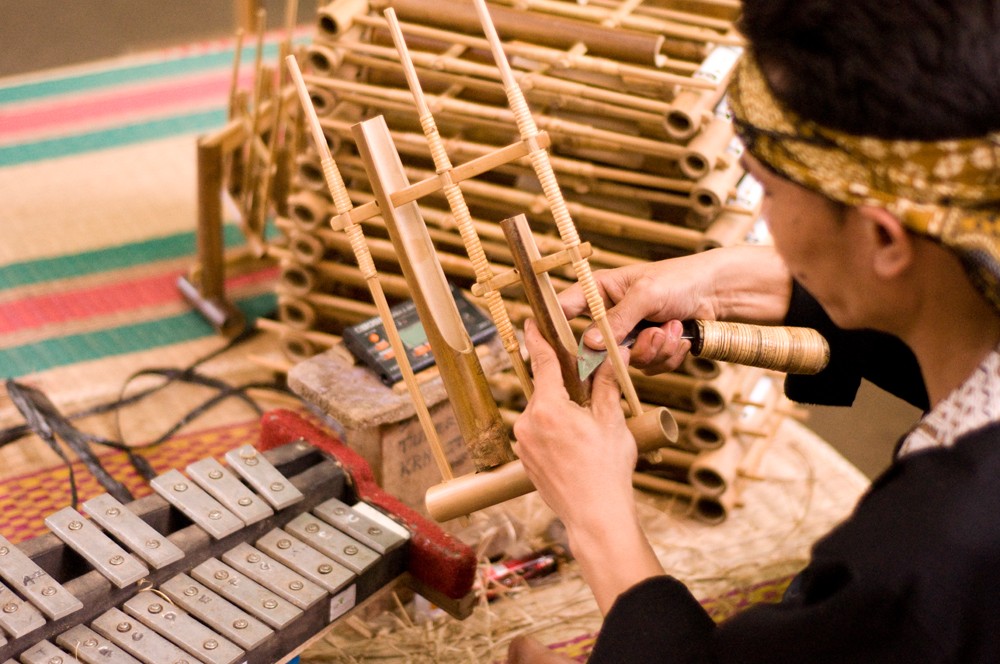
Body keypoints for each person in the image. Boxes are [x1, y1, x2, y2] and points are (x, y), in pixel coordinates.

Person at [507, 0, 1000, 661]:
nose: (763, 220)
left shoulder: (929, 560)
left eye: (767, 191)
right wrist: (746, 282)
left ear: (884, 237)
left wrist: (598, 517)